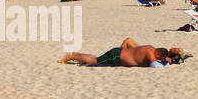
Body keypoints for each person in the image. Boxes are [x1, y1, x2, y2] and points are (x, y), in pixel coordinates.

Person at [61, 38, 189, 67]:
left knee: (97, 58)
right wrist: (168, 63)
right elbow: (155, 66)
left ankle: (76, 55)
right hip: (117, 56)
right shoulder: (151, 56)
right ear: (159, 55)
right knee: (96, 60)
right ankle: (72, 56)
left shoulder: (150, 47)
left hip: (119, 52)